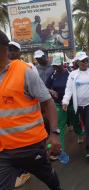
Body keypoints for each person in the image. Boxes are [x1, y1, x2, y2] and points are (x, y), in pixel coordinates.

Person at [0, 30, 62, 190]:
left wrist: (54, 134)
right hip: (3, 151)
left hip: (30, 146)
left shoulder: (25, 71)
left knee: (50, 178)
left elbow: (48, 103)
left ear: (3, 48)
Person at [62, 52, 89, 160]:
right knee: (86, 125)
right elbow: (69, 89)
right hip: (80, 106)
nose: (85, 63)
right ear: (77, 62)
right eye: (83, 61)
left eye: (87, 60)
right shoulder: (73, 75)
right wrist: (65, 101)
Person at [46, 54, 84, 160]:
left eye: (57, 66)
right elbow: (45, 87)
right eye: (54, 66)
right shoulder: (52, 75)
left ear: (63, 64)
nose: (56, 68)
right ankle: (59, 149)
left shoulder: (70, 74)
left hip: (71, 104)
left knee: (75, 122)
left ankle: (80, 133)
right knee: (60, 125)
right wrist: (51, 91)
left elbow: (76, 87)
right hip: (58, 104)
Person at [7, 41, 33, 188]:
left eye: (14, 50)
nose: (11, 52)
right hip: (8, 120)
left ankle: (24, 172)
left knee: (22, 149)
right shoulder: (3, 69)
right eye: (8, 49)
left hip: (24, 119)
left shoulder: (28, 68)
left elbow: (38, 94)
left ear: (20, 53)